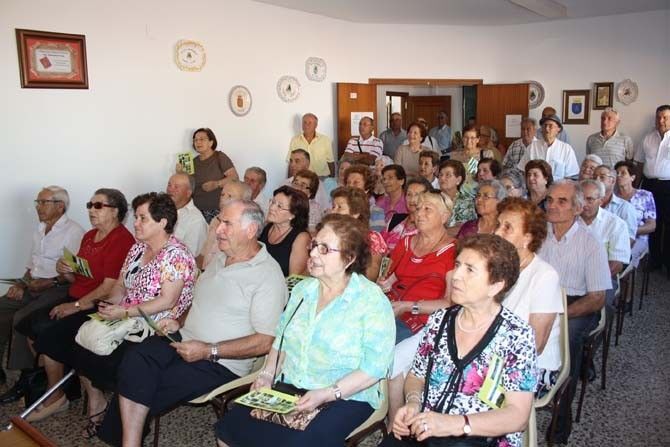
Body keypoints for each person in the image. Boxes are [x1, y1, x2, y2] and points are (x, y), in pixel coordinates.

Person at [104, 200, 287, 447]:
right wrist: (178, 321)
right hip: (184, 339)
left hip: (221, 361)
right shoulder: (221, 257)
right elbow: (198, 301)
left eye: (227, 224)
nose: (218, 229)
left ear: (251, 230)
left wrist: (208, 350)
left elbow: (266, 341)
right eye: (219, 221)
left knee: (146, 384)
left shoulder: (267, 275)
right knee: (135, 359)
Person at [216, 214, 395, 447]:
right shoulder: (303, 290)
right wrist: (267, 375)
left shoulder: (370, 300)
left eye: (324, 249)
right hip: (292, 383)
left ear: (349, 258)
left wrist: (327, 393)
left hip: (346, 395)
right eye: (314, 245)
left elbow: (374, 369)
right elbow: (281, 339)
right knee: (229, 429)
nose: (313, 254)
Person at [36, 193, 197, 435]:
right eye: (136, 217)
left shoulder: (176, 254)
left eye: (142, 218)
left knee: (116, 360)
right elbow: (120, 286)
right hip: (126, 313)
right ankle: (96, 400)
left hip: (156, 324)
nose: (136, 223)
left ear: (163, 222)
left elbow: (168, 301)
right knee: (75, 338)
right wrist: (108, 304)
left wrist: (124, 311)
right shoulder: (138, 247)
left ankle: (122, 416)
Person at [382, 234, 536, 447]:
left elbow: (518, 416)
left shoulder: (516, 335)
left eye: (469, 270)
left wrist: (454, 424)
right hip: (427, 428)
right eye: (457, 265)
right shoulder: (440, 320)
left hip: (480, 437)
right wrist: (414, 403)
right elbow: (416, 375)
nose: (455, 276)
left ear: (496, 286)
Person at [17, 188, 135, 421]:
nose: (91, 210)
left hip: (97, 304)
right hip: (77, 295)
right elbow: (79, 277)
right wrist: (65, 270)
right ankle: (60, 385)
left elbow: (109, 287)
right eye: (90, 205)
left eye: (98, 206)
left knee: (49, 337)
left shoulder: (122, 240)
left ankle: (57, 396)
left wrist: (77, 306)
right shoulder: (90, 236)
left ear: (116, 211)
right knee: (29, 326)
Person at [539, 180, 611, 444]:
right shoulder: (538, 235)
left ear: (578, 208)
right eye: (550, 200)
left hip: (578, 303)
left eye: (562, 201)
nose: (552, 206)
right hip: (542, 299)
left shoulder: (590, 242)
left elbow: (597, 298)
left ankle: (561, 419)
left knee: (567, 338)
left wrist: (559, 316)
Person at [0, 186, 84, 402]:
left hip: (57, 288)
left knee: (22, 318)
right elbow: (32, 266)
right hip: (33, 285)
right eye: (37, 202)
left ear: (60, 206)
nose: (38, 207)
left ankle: (26, 378)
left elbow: (74, 274)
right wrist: (21, 284)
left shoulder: (74, 232)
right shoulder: (39, 229)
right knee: (2, 307)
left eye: (43, 202)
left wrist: (49, 282)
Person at [495, 197, 563, 397]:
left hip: (531, 366)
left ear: (527, 238)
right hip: (493, 357)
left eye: (507, 228)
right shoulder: (498, 268)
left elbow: (536, 345)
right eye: (498, 225)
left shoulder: (545, 276)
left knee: (465, 391)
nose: (497, 232)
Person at [379, 191, 456, 345]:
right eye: (418, 208)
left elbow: (449, 303)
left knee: (376, 342)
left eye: (427, 209)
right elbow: (390, 279)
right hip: (391, 309)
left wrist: (408, 306)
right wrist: (384, 284)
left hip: (420, 320)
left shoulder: (453, 251)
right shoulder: (406, 242)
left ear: (444, 216)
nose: (419, 213)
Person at [580, 180, 631, 306]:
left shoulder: (616, 224)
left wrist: (588, 281)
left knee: (593, 304)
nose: (584, 204)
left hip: (604, 277)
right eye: (580, 199)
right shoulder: (568, 220)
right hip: (569, 276)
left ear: (601, 201)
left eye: (589, 199)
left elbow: (616, 265)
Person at [633, 104, 670, 273]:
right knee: (652, 223)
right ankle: (654, 260)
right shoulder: (647, 138)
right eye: (658, 117)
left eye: (665, 117)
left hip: (668, 185)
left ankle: (668, 264)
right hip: (650, 186)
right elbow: (640, 164)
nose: (661, 121)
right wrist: (635, 188)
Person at [181, 128, 239, 223]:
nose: (198, 142)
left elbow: (234, 178)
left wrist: (216, 184)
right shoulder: (192, 162)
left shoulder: (219, 157)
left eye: (202, 139)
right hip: (196, 211)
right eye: (195, 140)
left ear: (211, 142)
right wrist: (180, 173)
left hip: (216, 211)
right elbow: (188, 185)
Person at [330, 187, 387, 281]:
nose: (333, 211)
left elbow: (371, 275)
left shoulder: (371, 238)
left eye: (339, 207)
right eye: (333, 207)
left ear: (355, 213)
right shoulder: (329, 235)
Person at [200, 180, 253, 270]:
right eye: (222, 194)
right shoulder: (215, 220)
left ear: (244, 202)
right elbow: (204, 252)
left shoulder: (242, 229)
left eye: (230, 196)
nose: (223, 198)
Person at [259, 186, 311, 277]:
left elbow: (294, 278)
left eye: (279, 206)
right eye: (273, 202)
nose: (272, 208)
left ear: (293, 214)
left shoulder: (301, 238)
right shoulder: (266, 226)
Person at [614, 160, 657, 264]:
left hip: (638, 238)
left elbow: (651, 225)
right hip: (614, 237)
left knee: (622, 258)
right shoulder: (612, 197)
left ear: (632, 177)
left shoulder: (645, 195)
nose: (619, 176)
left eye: (623, 173)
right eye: (617, 173)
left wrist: (630, 232)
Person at [519, 114, 579, 180]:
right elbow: (523, 170)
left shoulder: (566, 149)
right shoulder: (532, 147)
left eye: (550, 126)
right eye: (545, 125)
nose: (547, 129)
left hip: (558, 186)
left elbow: (571, 176)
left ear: (558, 129)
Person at [382, 177, 433, 252]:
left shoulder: (429, 226)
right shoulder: (395, 219)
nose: (412, 199)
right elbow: (381, 246)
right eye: (409, 194)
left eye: (417, 195)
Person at [166, 173, 208, 257]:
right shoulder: (162, 210)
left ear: (188, 193)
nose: (170, 190)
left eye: (176, 187)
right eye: (169, 185)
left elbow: (192, 257)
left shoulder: (196, 220)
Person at [593, 165, 637, 243]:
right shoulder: (585, 204)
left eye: (602, 177)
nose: (596, 180)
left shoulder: (625, 208)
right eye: (594, 177)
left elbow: (629, 240)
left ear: (612, 181)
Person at [287, 113, 334, 177]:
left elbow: (330, 162)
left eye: (310, 123)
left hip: (321, 178)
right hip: (302, 179)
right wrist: (289, 180)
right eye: (304, 122)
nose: (306, 125)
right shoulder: (295, 140)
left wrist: (332, 179)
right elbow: (291, 162)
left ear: (316, 125)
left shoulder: (325, 140)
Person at [344, 164, 386, 232]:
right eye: (348, 182)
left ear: (367, 187)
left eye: (356, 183)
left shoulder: (376, 212)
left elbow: (375, 236)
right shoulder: (339, 208)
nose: (350, 186)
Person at [437, 160, 476, 231]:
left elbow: (461, 229)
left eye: (448, 175)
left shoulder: (466, 202)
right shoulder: (433, 197)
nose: (442, 178)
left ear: (458, 180)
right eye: (440, 175)